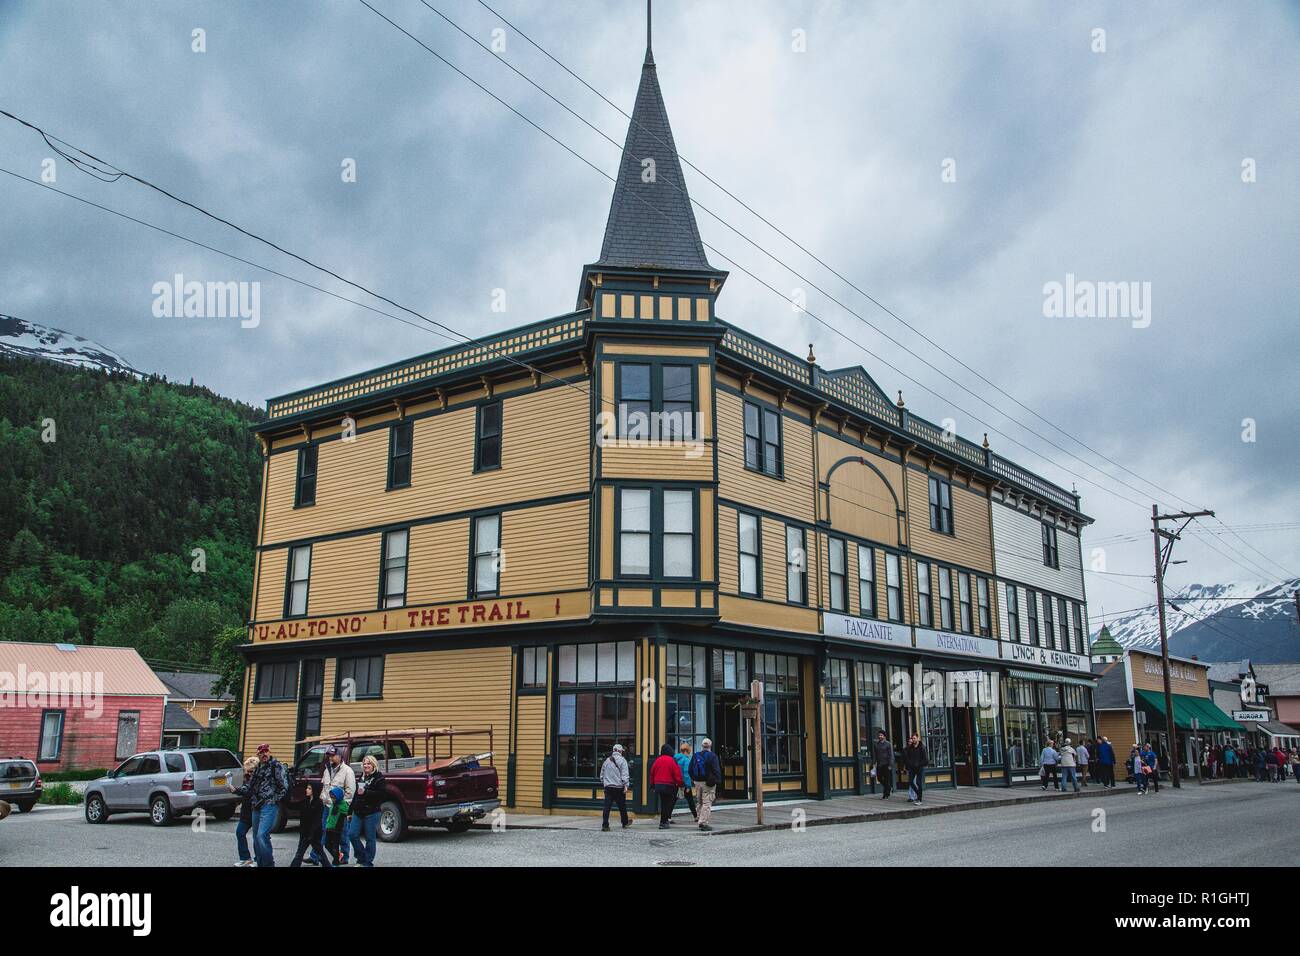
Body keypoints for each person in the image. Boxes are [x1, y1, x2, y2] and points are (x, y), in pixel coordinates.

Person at [239, 743, 288, 868]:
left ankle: (268, 864)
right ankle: (260, 863)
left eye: (266, 751)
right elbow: (250, 787)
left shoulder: (276, 766)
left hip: (269, 805)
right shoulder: (259, 767)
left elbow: (284, 786)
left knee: (262, 835)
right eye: (261, 752)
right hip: (256, 805)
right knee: (256, 837)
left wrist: (274, 799)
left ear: (269, 752)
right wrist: (236, 790)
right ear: (258, 755)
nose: (264, 754)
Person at [316, 745, 355, 865]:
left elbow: (350, 791)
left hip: (339, 808)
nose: (330, 758)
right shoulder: (327, 769)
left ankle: (344, 856)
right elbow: (325, 786)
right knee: (323, 831)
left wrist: (344, 807)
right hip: (327, 806)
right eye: (328, 756)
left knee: (342, 833)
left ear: (339, 756)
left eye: (332, 755)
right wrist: (323, 798)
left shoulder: (347, 771)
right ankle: (317, 855)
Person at [347, 754, 385, 867]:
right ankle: (362, 857)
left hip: (372, 812)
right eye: (364, 763)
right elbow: (356, 795)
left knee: (370, 838)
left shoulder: (379, 778)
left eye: (368, 763)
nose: (366, 765)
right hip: (358, 811)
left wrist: (366, 792)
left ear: (373, 765)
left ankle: (367, 862)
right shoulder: (362, 777)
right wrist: (350, 811)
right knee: (352, 835)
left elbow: (382, 795)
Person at [289, 781, 333, 868]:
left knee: (319, 852)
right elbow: (293, 806)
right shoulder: (305, 802)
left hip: (314, 834)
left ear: (315, 790)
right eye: (307, 788)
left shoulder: (319, 803)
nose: (307, 790)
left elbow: (317, 820)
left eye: (309, 789)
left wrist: (312, 833)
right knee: (300, 853)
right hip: (305, 832)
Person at [690, 738, 723, 832]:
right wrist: (717, 781)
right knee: (707, 803)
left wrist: (694, 779)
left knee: (699, 802)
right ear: (710, 746)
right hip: (708, 783)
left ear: (702, 746)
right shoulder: (712, 756)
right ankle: (703, 823)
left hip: (697, 782)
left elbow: (690, 769)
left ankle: (699, 818)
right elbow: (716, 769)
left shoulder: (696, 755)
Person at [649, 743, 684, 829]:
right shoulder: (672, 760)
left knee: (663, 803)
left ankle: (664, 821)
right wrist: (681, 784)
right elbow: (677, 774)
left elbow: (652, 773)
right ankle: (663, 822)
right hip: (669, 785)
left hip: (658, 785)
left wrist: (653, 785)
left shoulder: (657, 760)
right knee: (667, 804)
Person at [599, 743, 632, 831]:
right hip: (618, 787)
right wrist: (626, 786)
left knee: (607, 807)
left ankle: (605, 825)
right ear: (620, 751)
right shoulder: (622, 760)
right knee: (622, 806)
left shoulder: (606, 761)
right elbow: (625, 775)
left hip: (608, 787)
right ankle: (624, 822)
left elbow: (601, 775)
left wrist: (605, 783)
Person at [232, 756, 258, 866]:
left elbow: (249, 790)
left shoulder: (259, 779)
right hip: (246, 810)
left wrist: (237, 790)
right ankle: (245, 857)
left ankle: (258, 859)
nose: (249, 774)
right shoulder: (246, 778)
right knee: (240, 832)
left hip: (256, 809)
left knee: (257, 836)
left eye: (251, 771)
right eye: (247, 772)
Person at [675, 742, 698, 821]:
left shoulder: (675, 758)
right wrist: (688, 785)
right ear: (687, 751)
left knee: (673, 800)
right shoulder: (686, 760)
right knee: (690, 800)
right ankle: (695, 816)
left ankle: (668, 817)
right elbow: (686, 773)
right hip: (684, 783)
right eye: (689, 751)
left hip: (676, 783)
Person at [903, 733, 928, 805]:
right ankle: (918, 794)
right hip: (912, 767)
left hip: (920, 767)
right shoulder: (911, 747)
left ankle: (919, 799)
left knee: (918, 782)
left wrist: (919, 764)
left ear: (918, 738)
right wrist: (909, 763)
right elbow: (907, 755)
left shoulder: (922, 747)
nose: (913, 740)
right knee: (910, 781)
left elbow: (925, 760)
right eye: (912, 738)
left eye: (914, 738)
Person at [872, 730, 895, 798]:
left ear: (884, 736)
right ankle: (888, 787)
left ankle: (886, 794)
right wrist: (874, 763)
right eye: (879, 735)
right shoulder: (876, 744)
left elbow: (891, 755)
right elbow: (875, 755)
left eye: (881, 735)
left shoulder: (888, 744)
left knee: (886, 778)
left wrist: (890, 764)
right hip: (879, 763)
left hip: (886, 764)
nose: (880, 736)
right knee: (879, 778)